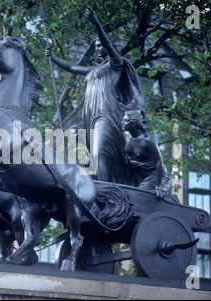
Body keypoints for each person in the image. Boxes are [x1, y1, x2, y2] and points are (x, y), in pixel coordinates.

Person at [45, 8, 146, 184]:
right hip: (90, 116)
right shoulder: (94, 70)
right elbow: (71, 67)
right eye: (96, 46)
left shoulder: (116, 64)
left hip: (107, 115)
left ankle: (107, 189)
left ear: (109, 47)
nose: (98, 48)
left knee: (101, 151)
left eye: (100, 45)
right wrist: (52, 57)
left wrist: (97, 24)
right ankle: (100, 183)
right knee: (91, 153)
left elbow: (107, 44)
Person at [121, 110, 171, 198]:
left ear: (134, 124)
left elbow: (159, 161)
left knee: (137, 196)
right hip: (138, 173)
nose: (122, 122)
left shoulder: (147, 140)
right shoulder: (126, 135)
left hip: (155, 175)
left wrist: (158, 186)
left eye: (126, 121)